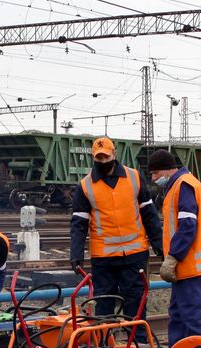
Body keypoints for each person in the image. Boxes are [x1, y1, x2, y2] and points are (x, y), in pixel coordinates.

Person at [147, 149, 201, 348]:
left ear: (169, 168)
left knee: (195, 321)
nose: (153, 178)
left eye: (155, 172)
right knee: (179, 318)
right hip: (185, 268)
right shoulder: (178, 186)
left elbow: (188, 226)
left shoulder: (184, 186)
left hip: (191, 267)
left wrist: (173, 257)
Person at [70, 136, 164, 319]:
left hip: (135, 253)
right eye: (99, 158)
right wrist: (76, 254)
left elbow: (149, 214)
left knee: (135, 300)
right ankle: (105, 343)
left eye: (106, 157)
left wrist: (159, 244)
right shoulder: (85, 186)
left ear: (114, 154)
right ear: (93, 158)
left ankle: (138, 342)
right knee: (104, 302)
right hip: (103, 257)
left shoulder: (134, 177)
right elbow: (78, 223)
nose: (103, 161)